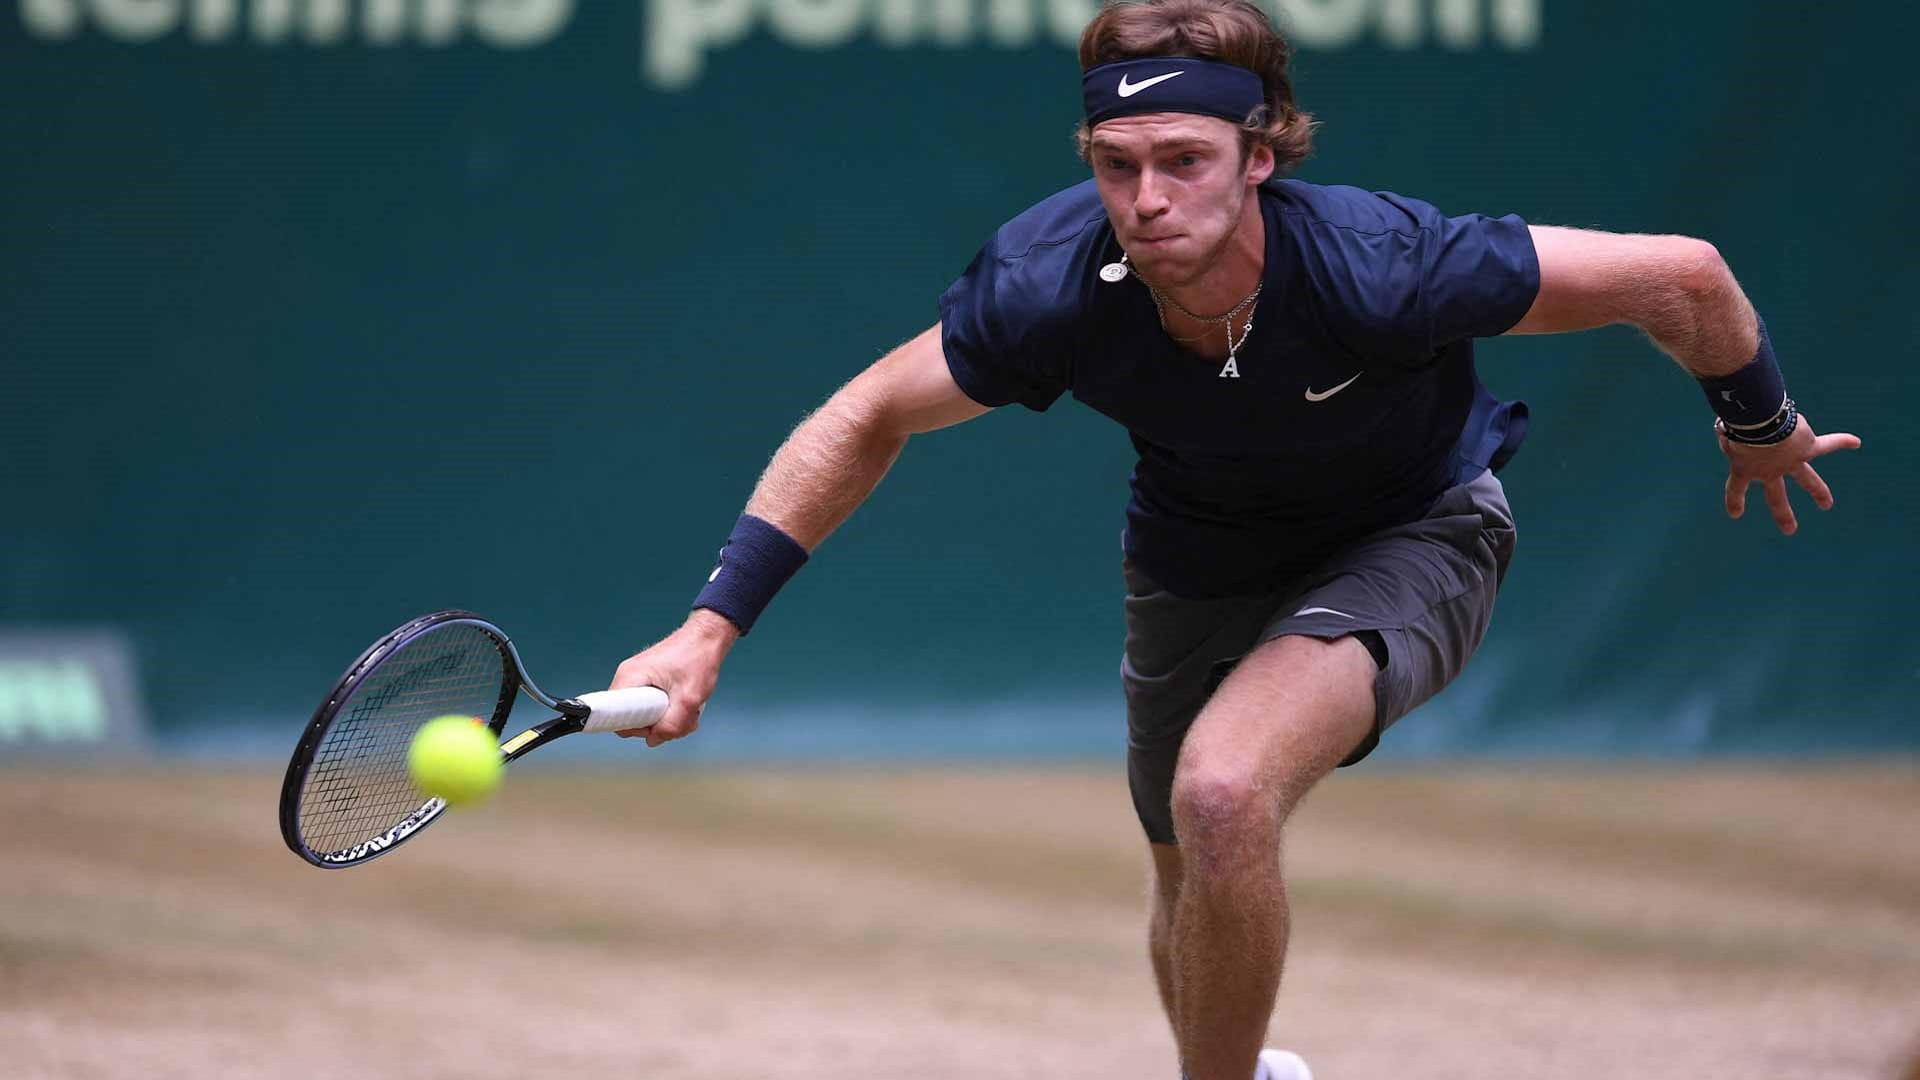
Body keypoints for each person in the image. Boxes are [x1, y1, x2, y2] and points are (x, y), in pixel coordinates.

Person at [606, 1, 1861, 1076]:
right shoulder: (1049, 284)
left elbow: (1686, 276)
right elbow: (867, 413)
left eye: (1185, 159)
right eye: (1116, 162)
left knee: (1221, 792)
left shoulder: (1383, 266)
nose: (1146, 200)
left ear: (1261, 155)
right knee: (1187, 866)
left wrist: (1761, 425)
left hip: (1412, 533)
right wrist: (713, 626)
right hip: (1194, 558)